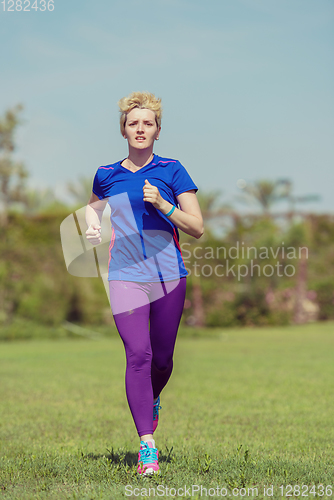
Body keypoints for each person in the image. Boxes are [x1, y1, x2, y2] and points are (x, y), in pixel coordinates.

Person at [85, 91, 204, 475]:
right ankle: (146, 446)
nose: (140, 129)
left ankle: (151, 399)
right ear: (124, 129)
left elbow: (197, 227)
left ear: (157, 131)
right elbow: (94, 207)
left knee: (163, 359)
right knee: (138, 355)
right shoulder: (107, 174)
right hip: (124, 275)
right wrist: (91, 224)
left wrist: (164, 205)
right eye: (133, 123)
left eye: (147, 123)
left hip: (169, 275)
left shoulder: (172, 170)